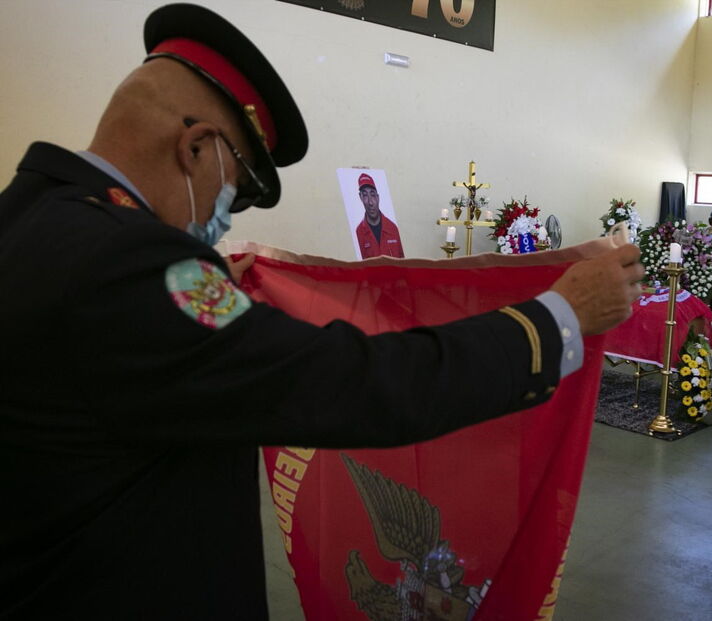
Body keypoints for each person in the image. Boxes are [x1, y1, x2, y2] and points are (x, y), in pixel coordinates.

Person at [0, 4, 643, 619]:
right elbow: (350, 382)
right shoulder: (131, 266)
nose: (226, 216)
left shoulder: (30, 221)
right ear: (195, 147)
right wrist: (556, 318)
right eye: (237, 191)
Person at [355, 172, 404, 258]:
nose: (370, 202)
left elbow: (403, 262)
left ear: (378, 197)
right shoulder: (358, 233)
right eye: (365, 195)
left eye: (373, 195)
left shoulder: (393, 229)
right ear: (361, 197)